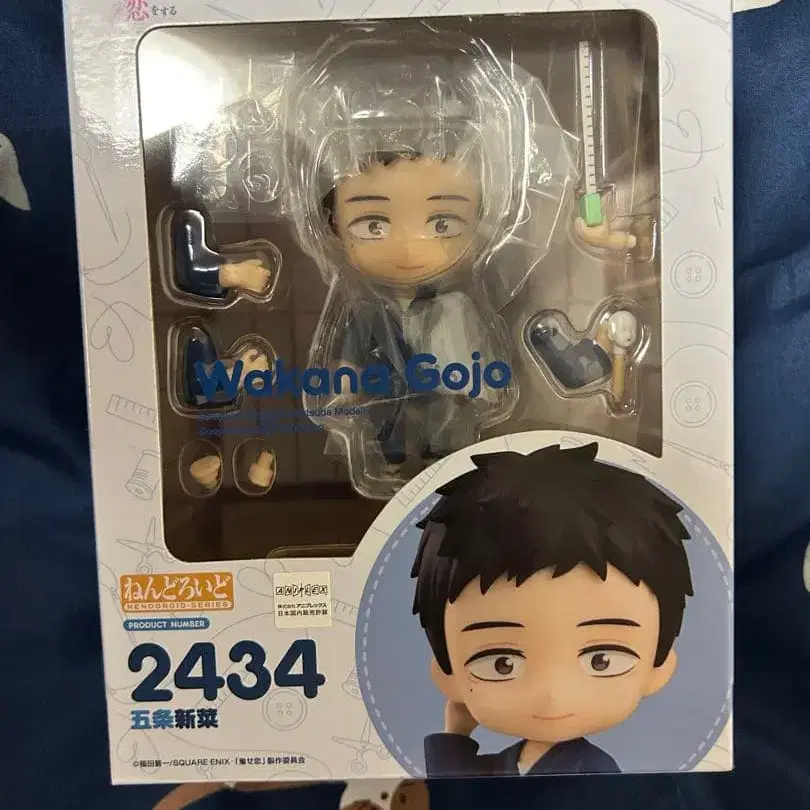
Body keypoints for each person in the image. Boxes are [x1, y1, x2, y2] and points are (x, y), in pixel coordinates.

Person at [411, 442, 694, 776]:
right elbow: (460, 792)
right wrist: (456, 734)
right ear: (448, 675)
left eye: (601, 660)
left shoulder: (594, 771)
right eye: (502, 663)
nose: (552, 694)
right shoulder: (505, 762)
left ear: (658, 668)